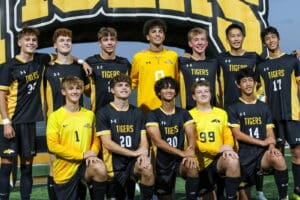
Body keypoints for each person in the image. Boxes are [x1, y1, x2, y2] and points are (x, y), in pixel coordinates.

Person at [0, 27, 54, 200]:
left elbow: (61, 56)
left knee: (27, 166)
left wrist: (81, 61)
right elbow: (1, 96)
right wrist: (6, 121)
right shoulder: (9, 66)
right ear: (19, 43)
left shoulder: (41, 59)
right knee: (7, 166)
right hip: (11, 123)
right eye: (27, 40)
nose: (31, 43)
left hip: (29, 122)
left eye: (34, 40)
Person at [227, 68, 289, 200]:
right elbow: (237, 134)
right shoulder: (233, 108)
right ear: (238, 85)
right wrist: (262, 142)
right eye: (244, 81)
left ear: (255, 83)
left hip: (262, 155)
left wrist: (272, 147)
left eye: (251, 80)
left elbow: (269, 131)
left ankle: (283, 198)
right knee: (244, 197)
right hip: (243, 156)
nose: (248, 84)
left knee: (278, 158)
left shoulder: (264, 107)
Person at [44, 28, 90, 200]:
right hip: (55, 120)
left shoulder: (79, 68)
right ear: (55, 45)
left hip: (78, 121)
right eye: (61, 40)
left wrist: (81, 61)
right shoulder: (47, 68)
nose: (65, 43)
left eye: (68, 40)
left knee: (79, 162)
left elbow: (88, 91)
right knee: (54, 163)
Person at [256, 26, 300, 200]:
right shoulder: (262, 66)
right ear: (264, 42)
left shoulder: (292, 60)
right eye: (267, 39)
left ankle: (297, 191)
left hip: (293, 115)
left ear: (278, 39)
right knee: (277, 156)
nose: (271, 41)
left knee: (297, 153)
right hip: (273, 117)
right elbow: (259, 92)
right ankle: (283, 196)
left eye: (273, 37)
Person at [46, 76, 107, 200]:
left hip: (85, 165)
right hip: (65, 169)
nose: (75, 91)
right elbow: (53, 145)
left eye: (78, 88)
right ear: (64, 92)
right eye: (71, 88)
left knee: (100, 168)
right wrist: (82, 155)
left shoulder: (89, 114)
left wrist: (93, 153)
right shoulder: (55, 116)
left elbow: (96, 138)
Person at [96, 74, 154, 199]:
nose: (124, 88)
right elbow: (107, 143)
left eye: (127, 85)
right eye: (120, 85)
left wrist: (143, 154)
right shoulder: (103, 112)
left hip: (133, 163)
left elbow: (143, 140)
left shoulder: (138, 112)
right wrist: (133, 153)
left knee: (147, 168)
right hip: (114, 165)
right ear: (112, 90)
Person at [146, 77, 199, 200]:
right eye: (165, 88)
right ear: (159, 92)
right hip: (161, 163)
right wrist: (182, 153)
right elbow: (158, 142)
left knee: (192, 166)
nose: (169, 90)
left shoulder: (183, 113)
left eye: (172, 88)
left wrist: (190, 151)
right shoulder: (153, 115)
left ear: (176, 92)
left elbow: (191, 134)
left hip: (180, 161)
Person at [189, 80, 240, 200]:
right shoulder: (188, 115)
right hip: (200, 162)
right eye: (199, 92)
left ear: (211, 94)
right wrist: (217, 149)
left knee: (232, 160)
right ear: (193, 96)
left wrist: (228, 147)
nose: (203, 94)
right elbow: (192, 142)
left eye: (206, 91)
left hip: (218, 160)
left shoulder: (221, 113)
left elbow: (228, 135)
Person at [131, 18, 179, 113]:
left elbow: (177, 81)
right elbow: (132, 82)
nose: (157, 34)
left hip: (169, 109)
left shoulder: (173, 56)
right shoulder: (139, 57)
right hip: (146, 109)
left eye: (160, 31)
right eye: (153, 31)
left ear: (164, 36)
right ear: (148, 37)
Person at [85, 27, 131, 112]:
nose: (109, 43)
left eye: (112, 39)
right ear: (99, 43)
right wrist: (81, 62)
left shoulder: (124, 63)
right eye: (106, 40)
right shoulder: (90, 62)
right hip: (98, 112)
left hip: (121, 113)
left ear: (116, 42)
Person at [217, 24, 261, 110]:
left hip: (250, 106)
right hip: (229, 107)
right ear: (227, 39)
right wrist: (189, 56)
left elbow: (272, 64)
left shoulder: (253, 57)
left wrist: (291, 56)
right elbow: (204, 62)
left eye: (238, 35)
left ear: (243, 37)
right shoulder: (221, 58)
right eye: (232, 36)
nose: (236, 39)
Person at [179, 27, 220, 109]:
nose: (200, 43)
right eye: (196, 40)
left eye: (202, 39)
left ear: (207, 43)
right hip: (190, 110)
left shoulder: (215, 63)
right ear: (190, 44)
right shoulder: (182, 62)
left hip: (211, 109)